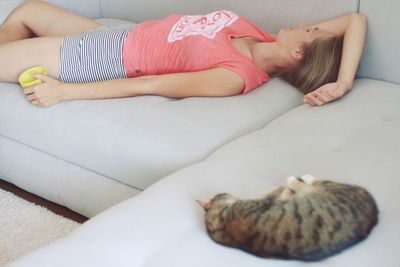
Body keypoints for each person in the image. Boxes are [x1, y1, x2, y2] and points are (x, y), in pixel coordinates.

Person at [0, 0, 366, 108]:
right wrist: (343, 83)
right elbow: (355, 18)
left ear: (299, 53)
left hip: (100, 59)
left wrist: (63, 92)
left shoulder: (235, 76)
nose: (310, 23)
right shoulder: (259, 36)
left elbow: (151, 84)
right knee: (26, 11)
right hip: (115, 36)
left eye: (312, 30)